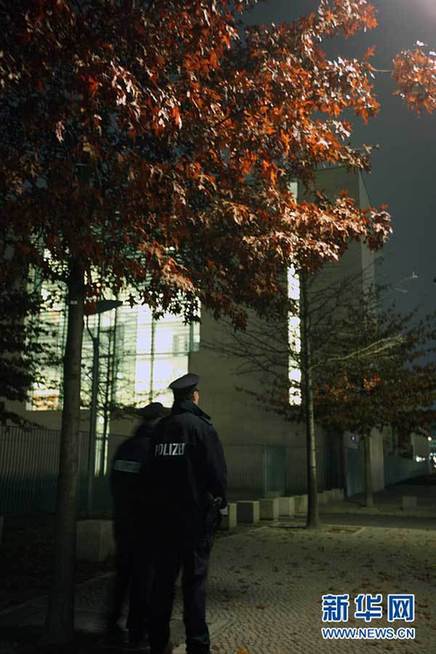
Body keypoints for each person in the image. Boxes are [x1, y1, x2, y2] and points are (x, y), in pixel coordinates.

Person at [148, 373, 227, 654]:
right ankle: (197, 644)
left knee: (162, 585)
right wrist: (220, 505)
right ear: (194, 396)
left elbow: (148, 477)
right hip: (193, 522)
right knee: (194, 585)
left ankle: (157, 642)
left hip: (162, 522)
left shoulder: (159, 429)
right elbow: (217, 475)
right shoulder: (201, 428)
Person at [107, 401, 170, 649]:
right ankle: (137, 630)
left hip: (123, 523)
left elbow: (114, 482)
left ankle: (111, 622)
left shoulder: (125, 447)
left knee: (123, 574)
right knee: (143, 578)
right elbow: (160, 492)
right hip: (147, 526)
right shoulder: (155, 451)